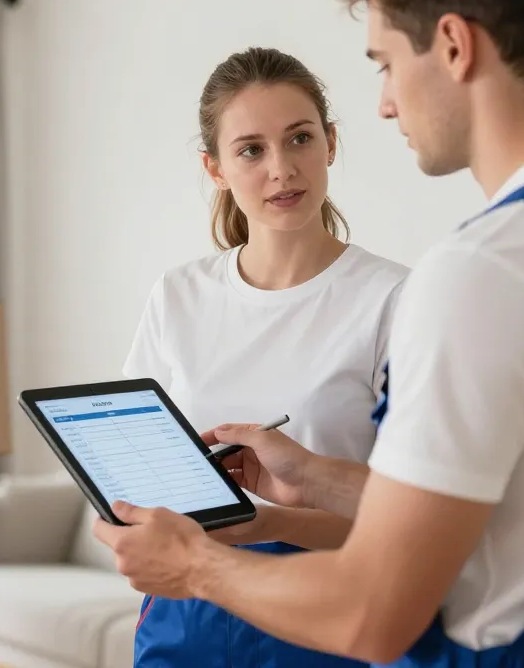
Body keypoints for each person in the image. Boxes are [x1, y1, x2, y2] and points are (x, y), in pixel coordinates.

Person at [94, 0, 524, 666]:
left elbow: (372, 613)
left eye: (384, 61)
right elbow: (512, 501)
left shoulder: (482, 273)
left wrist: (193, 564)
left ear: (452, 45)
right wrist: (312, 477)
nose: (384, 100)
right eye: (250, 149)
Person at [123, 46, 408, 666]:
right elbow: (137, 478)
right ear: (216, 167)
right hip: (186, 618)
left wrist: (275, 521)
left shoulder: (395, 298)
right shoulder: (178, 295)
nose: (282, 168)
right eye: (251, 149)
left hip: (329, 612)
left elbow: (412, 519)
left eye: (300, 138)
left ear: (330, 143)